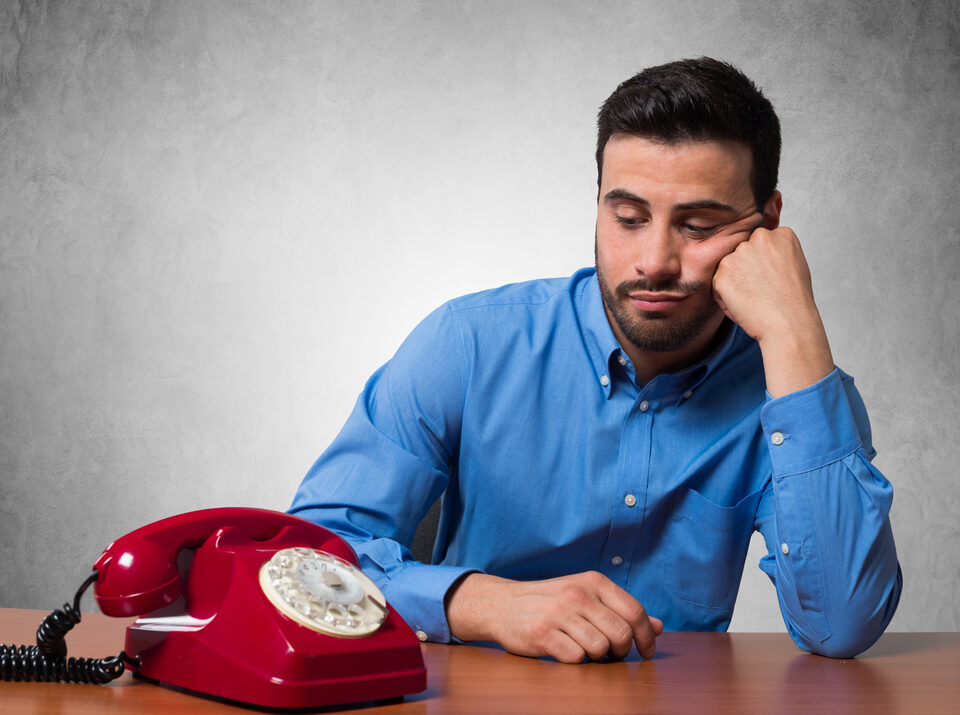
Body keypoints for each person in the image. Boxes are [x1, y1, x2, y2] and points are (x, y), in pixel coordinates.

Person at [289, 57, 902, 663]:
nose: (654, 262)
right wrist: (487, 604)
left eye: (697, 226)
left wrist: (793, 328)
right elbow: (308, 559)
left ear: (766, 226)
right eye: (629, 218)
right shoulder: (466, 343)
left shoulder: (795, 390)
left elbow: (843, 625)